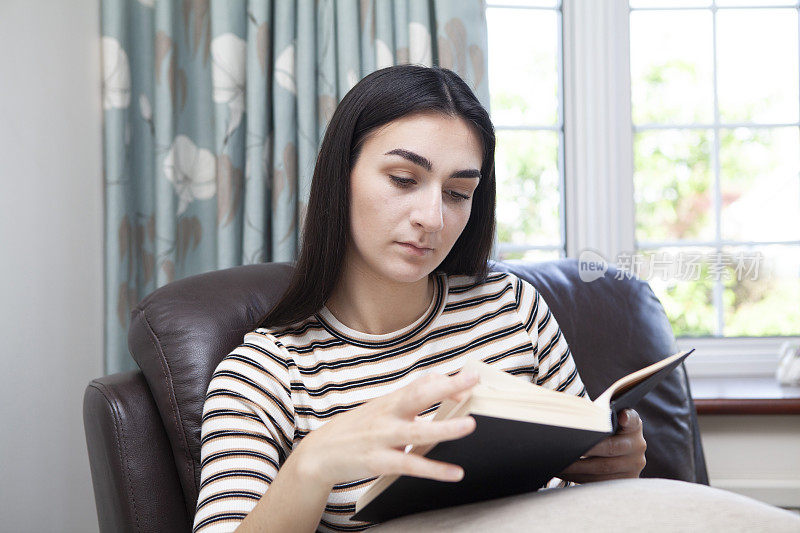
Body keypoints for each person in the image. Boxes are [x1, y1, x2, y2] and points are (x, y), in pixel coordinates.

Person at [191, 64, 647, 533]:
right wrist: (313, 462)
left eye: (456, 192)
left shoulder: (513, 308)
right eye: (404, 180)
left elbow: (582, 499)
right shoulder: (268, 374)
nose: (432, 217)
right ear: (340, 175)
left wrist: (611, 468)